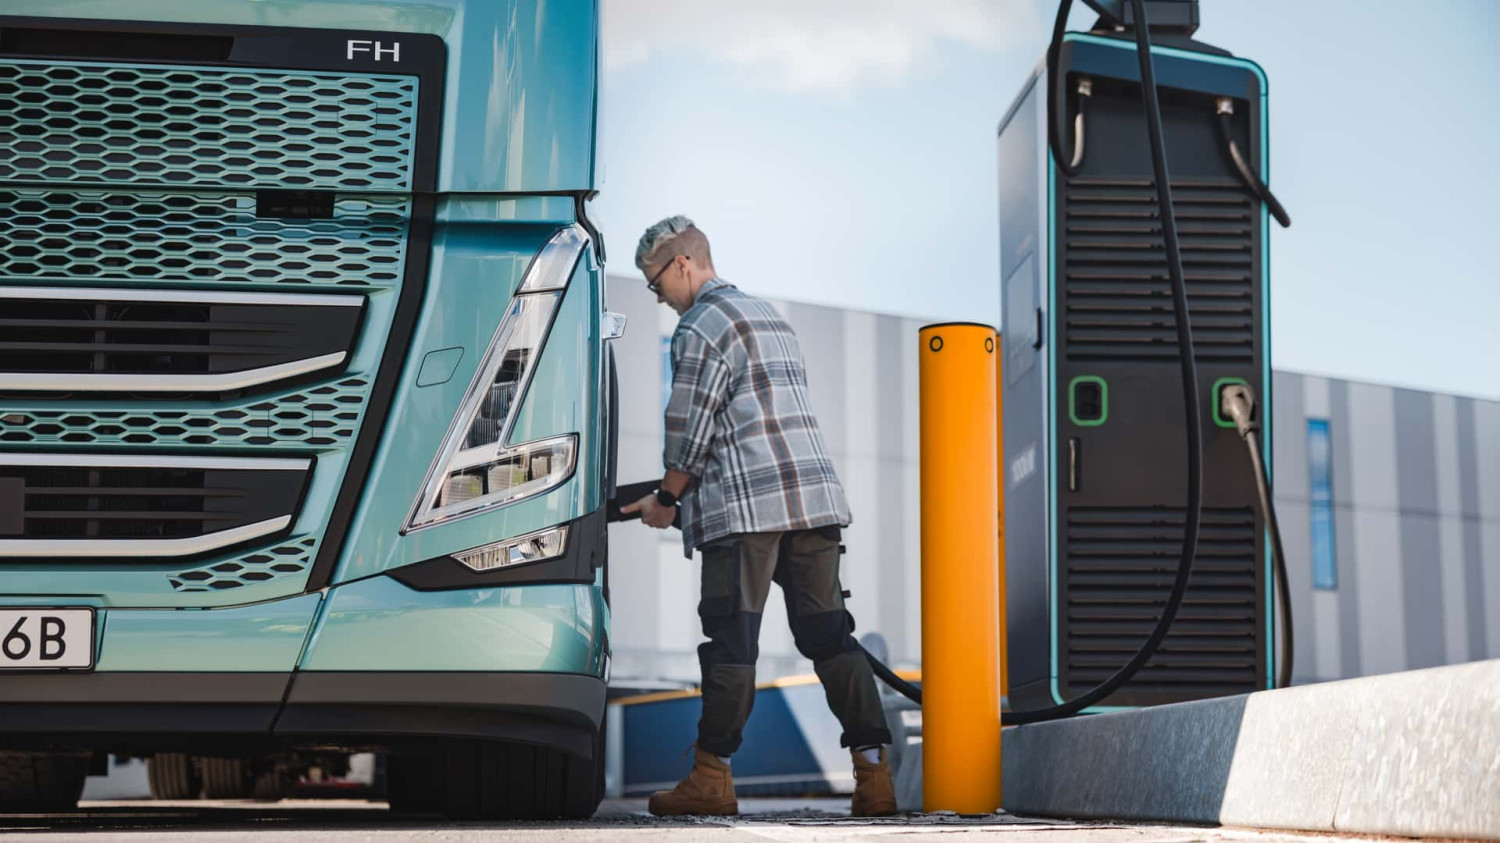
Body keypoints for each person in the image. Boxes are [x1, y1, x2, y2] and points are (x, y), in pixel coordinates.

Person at [621, 216, 896, 818]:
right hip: (814, 500)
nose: (658, 296)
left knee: (731, 642)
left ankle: (711, 779)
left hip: (747, 510)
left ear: (684, 264)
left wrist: (666, 499)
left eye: (655, 282)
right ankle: (875, 777)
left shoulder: (700, 325)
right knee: (829, 636)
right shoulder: (769, 315)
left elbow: (689, 425)